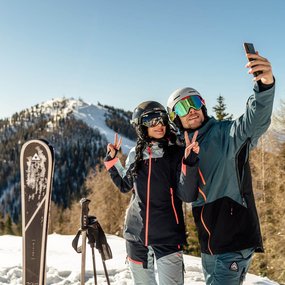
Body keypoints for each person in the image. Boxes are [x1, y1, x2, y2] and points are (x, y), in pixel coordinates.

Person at [167, 50, 275, 285]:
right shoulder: (181, 151)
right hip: (210, 245)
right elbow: (186, 195)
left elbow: (255, 119)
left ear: (203, 105)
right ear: (176, 118)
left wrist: (265, 84)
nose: (191, 110)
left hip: (234, 241)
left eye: (194, 103)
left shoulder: (226, 134)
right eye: (183, 108)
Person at [104, 101, 200, 284]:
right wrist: (112, 161)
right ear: (140, 126)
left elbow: (187, 195)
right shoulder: (135, 154)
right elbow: (125, 185)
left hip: (167, 235)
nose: (159, 125)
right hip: (135, 234)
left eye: (162, 120)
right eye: (151, 120)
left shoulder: (176, 153)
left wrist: (189, 162)